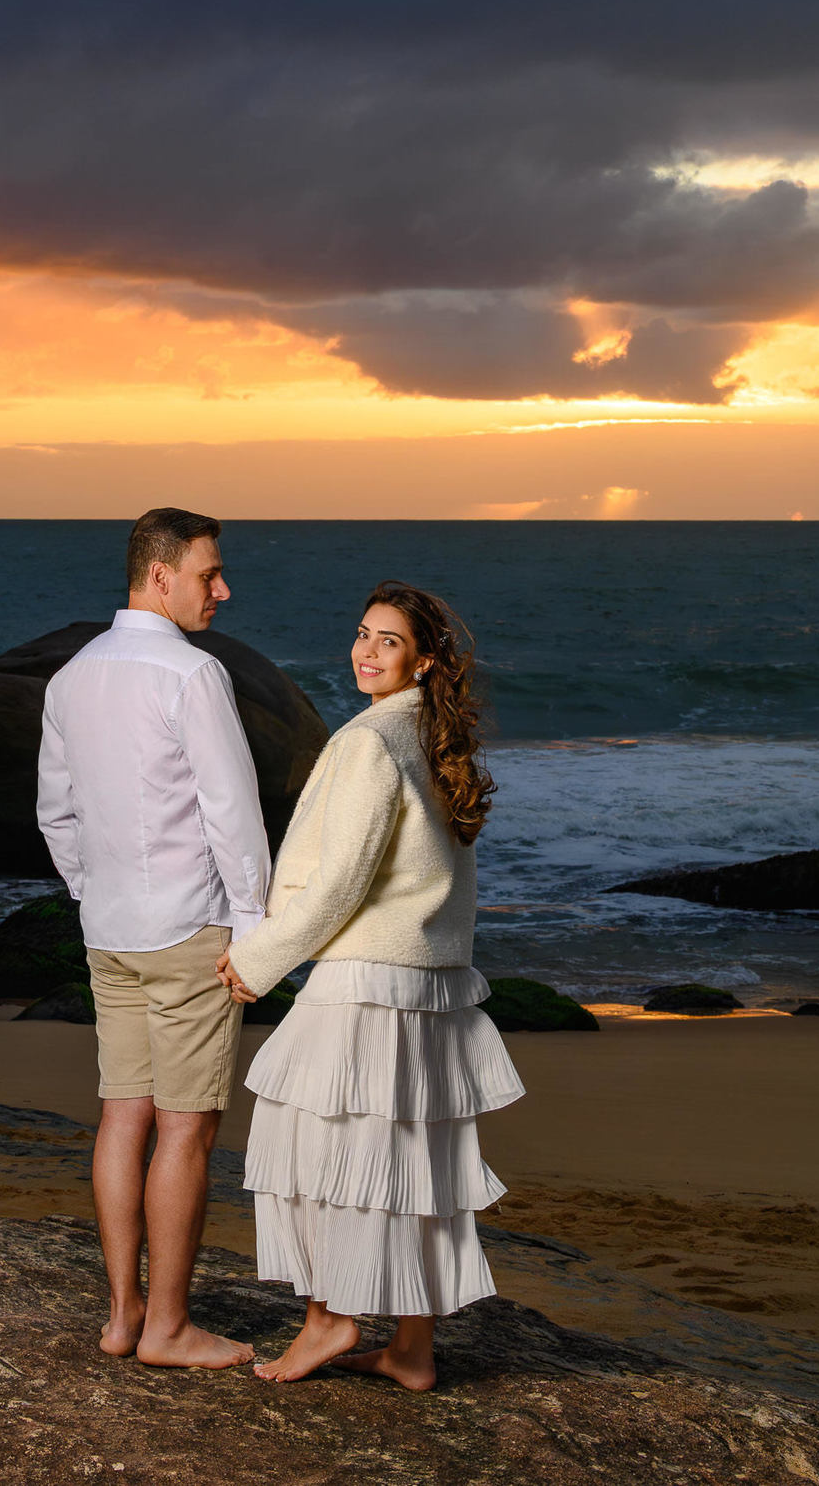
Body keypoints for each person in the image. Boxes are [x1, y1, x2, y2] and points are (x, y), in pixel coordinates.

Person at [217, 581, 524, 1389]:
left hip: (367, 980)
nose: (365, 650)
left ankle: (329, 1319)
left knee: (320, 1147)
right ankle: (412, 1348)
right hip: (432, 983)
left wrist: (260, 958)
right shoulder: (435, 737)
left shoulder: (371, 740)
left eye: (387, 640)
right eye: (362, 633)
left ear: (422, 660)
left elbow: (341, 881)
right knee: (414, 1163)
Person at [37, 506, 269, 1369]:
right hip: (190, 930)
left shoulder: (70, 677)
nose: (223, 589)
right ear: (160, 574)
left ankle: (122, 1315)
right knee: (184, 1131)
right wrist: (255, 931)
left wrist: (93, 891)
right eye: (209, 574)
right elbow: (233, 815)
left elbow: (55, 813)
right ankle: (168, 1327)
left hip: (111, 932)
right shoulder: (193, 674)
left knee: (121, 1116)